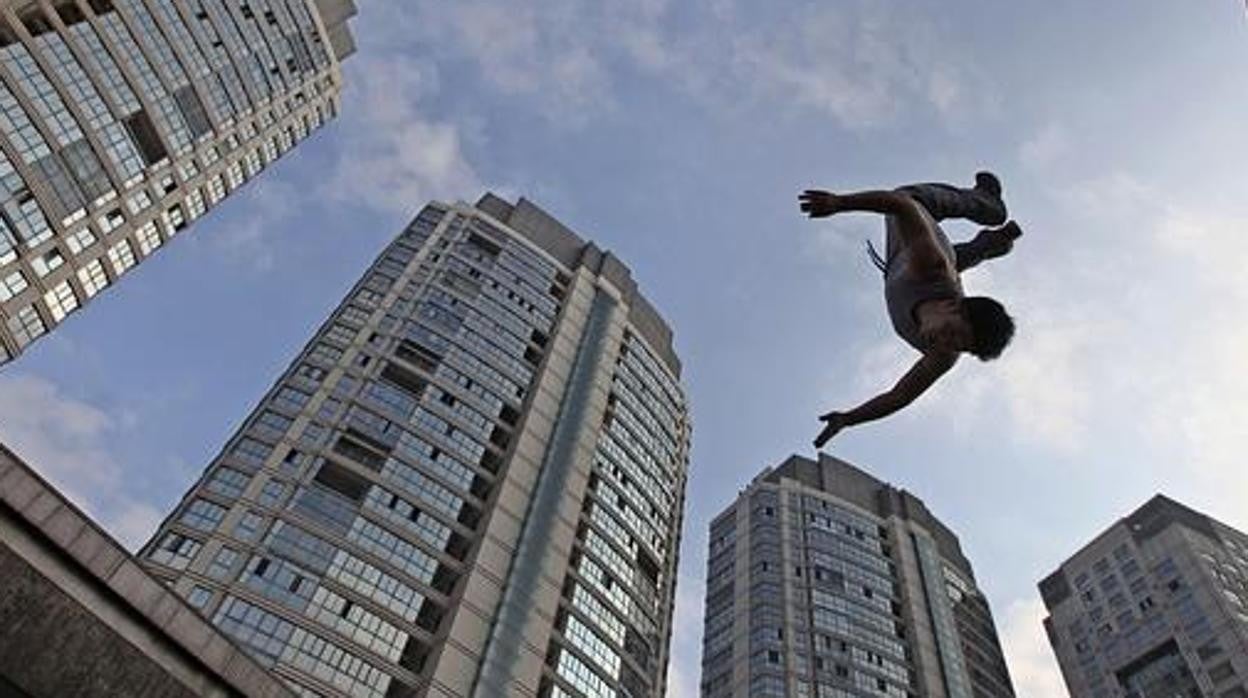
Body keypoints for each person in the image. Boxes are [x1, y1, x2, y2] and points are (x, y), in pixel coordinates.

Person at [799, 172, 1022, 448]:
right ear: (952, 305)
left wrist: (848, 419)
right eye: (952, 333)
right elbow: (899, 205)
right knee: (908, 196)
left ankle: (994, 244)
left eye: (958, 346)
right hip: (918, 228)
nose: (943, 343)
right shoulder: (930, 266)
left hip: (903, 265)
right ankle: (985, 203)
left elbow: (899, 396)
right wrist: (839, 203)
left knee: (953, 259)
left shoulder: (944, 356)